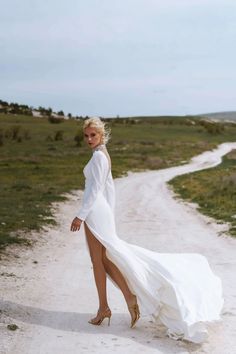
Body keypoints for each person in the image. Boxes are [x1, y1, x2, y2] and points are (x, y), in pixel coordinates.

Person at [70, 117, 223, 343]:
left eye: (93, 135)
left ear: (102, 135)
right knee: (102, 260)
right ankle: (122, 300)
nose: (89, 139)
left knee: (98, 261)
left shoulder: (100, 157)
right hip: (100, 212)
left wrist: (80, 216)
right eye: (86, 135)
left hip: (95, 212)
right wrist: (108, 215)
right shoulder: (101, 155)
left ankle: (110, 305)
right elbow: (109, 190)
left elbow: (95, 191)